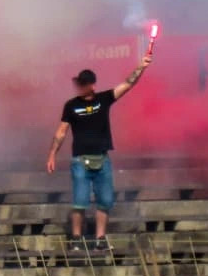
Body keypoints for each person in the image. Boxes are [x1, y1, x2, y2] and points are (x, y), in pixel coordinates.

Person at [47, 52, 154, 251]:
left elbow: (127, 84)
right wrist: (52, 154)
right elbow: (61, 132)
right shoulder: (71, 105)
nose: (80, 87)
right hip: (80, 160)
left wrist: (142, 66)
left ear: (92, 85)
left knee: (104, 201)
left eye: (84, 84)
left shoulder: (104, 99)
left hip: (102, 158)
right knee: (79, 202)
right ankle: (76, 239)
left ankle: (100, 239)